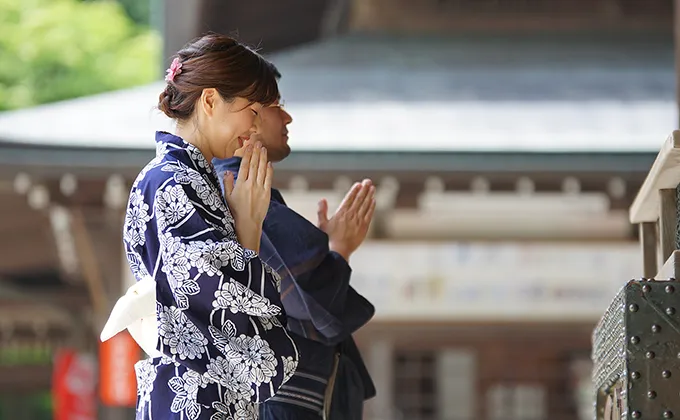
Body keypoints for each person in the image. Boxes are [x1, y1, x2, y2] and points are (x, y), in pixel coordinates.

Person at [101, 34, 300, 420]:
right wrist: (249, 228)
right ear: (210, 101)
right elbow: (217, 304)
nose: (255, 126)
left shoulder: (183, 179)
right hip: (193, 398)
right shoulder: (174, 183)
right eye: (253, 110)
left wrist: (246, 229)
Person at [213, 76, 377, 419]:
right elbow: (315, 306)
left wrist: (326, 249)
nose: (287, 119)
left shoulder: (227, 188)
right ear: (246, 115)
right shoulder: (241, 193)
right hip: (281, 400)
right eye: (276, 107)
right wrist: (339, 250)